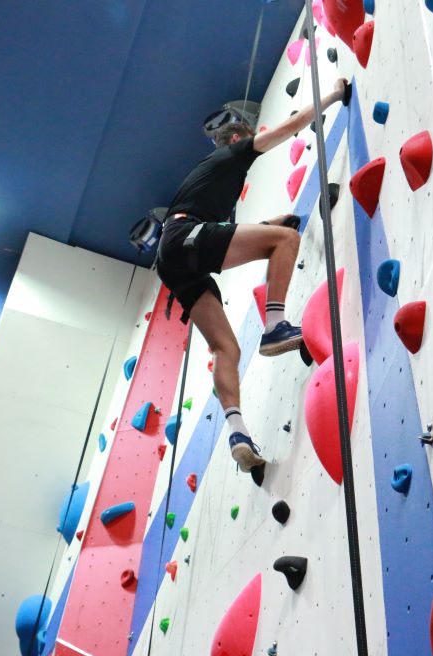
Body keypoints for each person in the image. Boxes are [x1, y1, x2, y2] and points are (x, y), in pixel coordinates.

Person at [157, 77, 350, 476]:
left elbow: (222, 239)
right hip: (184, 238)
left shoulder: (209, 181)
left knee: (226, 349)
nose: (252, 142)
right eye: (247, 137)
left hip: (177, 257)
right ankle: (276, 325)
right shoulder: (232, 156)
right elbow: (287, 129)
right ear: (236, 139)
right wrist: (332, 94)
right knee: (285, 240)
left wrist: (265, 223)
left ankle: (237, 431)